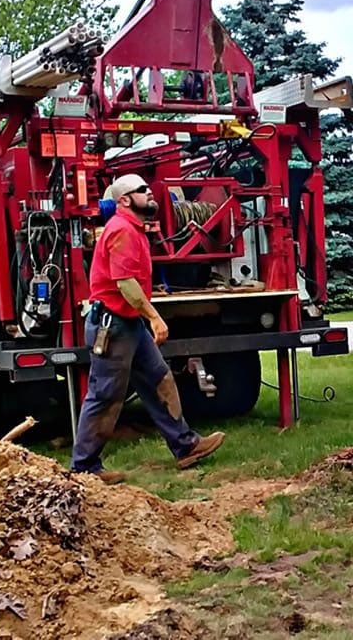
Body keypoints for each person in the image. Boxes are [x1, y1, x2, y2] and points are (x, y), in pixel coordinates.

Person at [72, 173, 223, 483]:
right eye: (143, 190)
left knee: (159, 380)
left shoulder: (135, 229)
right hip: (113, 325)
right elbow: (125, 284)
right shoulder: (122, 231)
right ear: (125, 200)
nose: (151, 193)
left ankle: (186, 446)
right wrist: (154, 316)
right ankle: (84, 468)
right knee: (105, 394)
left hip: (129, 324)